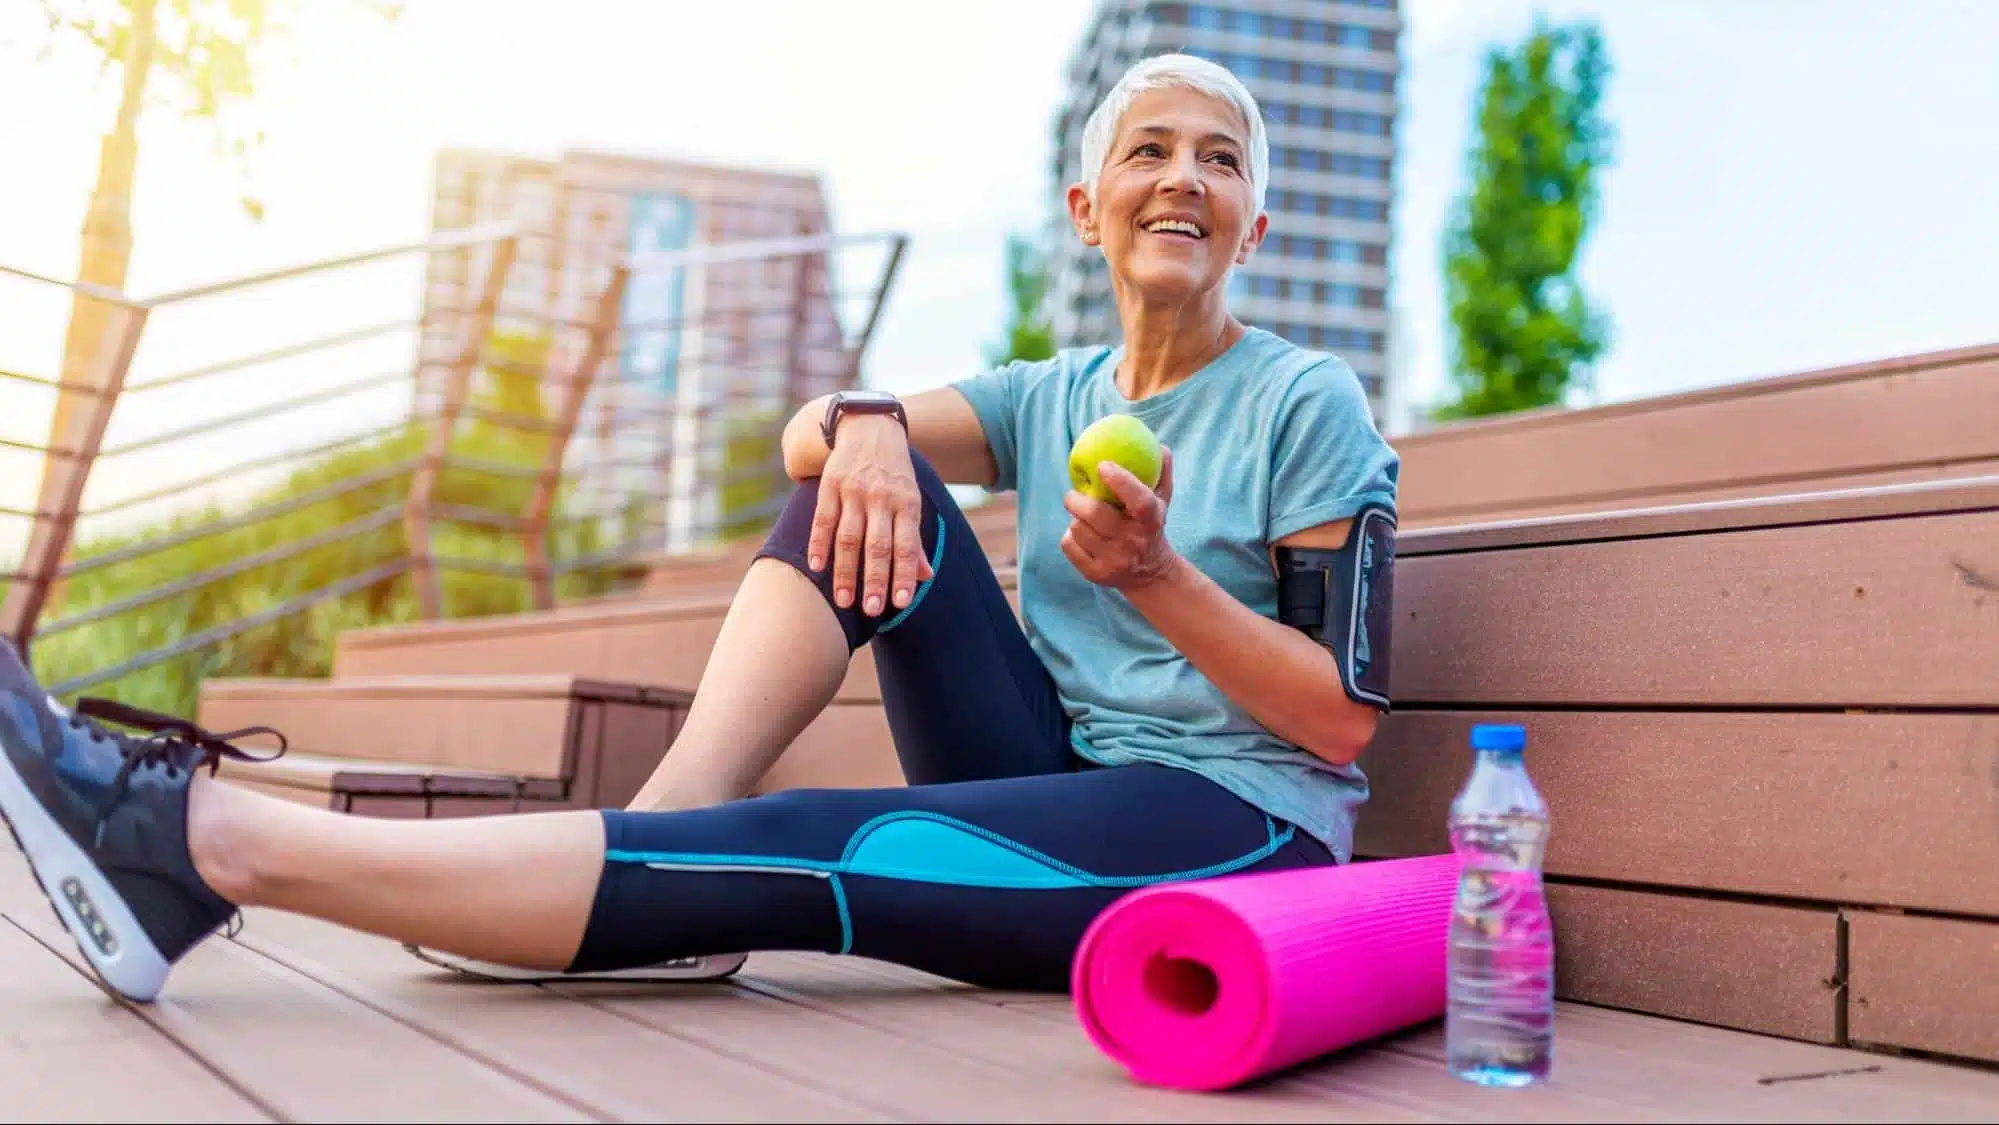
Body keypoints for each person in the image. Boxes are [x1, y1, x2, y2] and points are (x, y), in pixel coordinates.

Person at [0, 52, 1400, 1006]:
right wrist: (862, 423)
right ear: (1087, 210)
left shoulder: (1303, 401)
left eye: (1218, 161)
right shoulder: (1049, 395)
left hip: (1232, 827)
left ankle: (198, 843)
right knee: (857, 480)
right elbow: (812, 443)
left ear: (1254, 222)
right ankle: (658, 833)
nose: (1182, 178)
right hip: (1049, 765)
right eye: (1148, 151)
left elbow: (1337, 723)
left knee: (809, 841)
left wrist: (1152, 577)